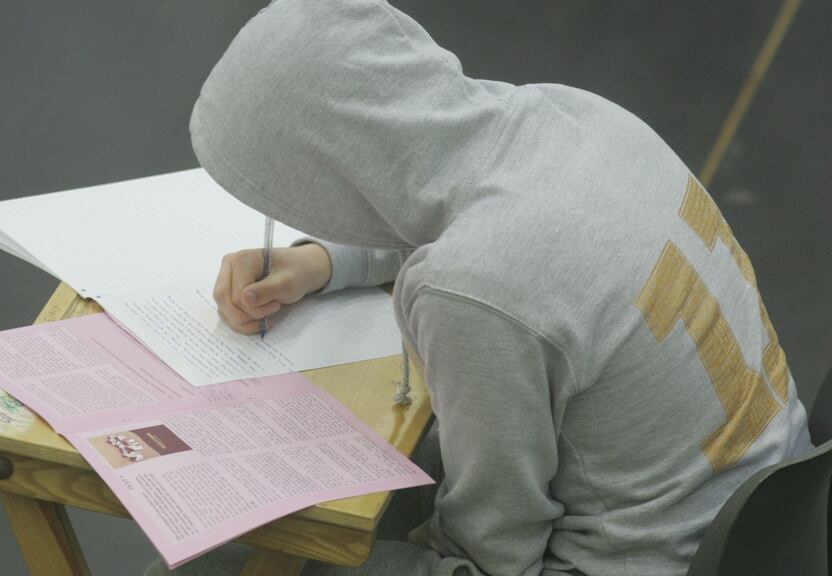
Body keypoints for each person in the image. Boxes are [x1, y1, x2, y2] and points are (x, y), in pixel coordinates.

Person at [148, 0, 812, 574]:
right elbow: (468, 202)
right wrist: (327, 261)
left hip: (638, 561)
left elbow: (493, 555)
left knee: (220, 556)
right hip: (770, 507)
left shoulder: (468, 292)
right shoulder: (574, 115)